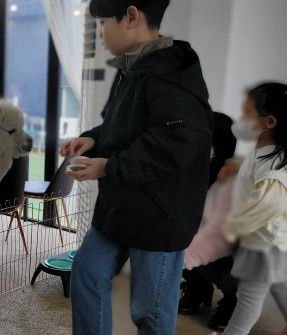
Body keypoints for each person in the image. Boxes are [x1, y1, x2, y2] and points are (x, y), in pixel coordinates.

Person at [62, 1, 213, 334]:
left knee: (151, 311)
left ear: (131, 17)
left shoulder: (173, 77)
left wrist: (107, 167)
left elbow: (173, 146)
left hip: (160, 213)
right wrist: (92, 140)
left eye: (103, 23)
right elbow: (120, 129)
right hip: (121, 205)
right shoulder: (131, 69)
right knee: (87, 274)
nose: (101, 33)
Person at [215, 82, 287, 335]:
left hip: (264, 242)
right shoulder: (264, 152)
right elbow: (257, 170)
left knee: (249, 296)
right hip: (270, 240)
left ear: (269, 123)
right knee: (278, 283)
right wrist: (237, 165)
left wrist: (233, 227)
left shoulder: (274, 166)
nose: (241, 119)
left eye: (246, 113)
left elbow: (268, 204)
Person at [179, 112, 239, 332]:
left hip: (228, 243)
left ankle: (232, 301)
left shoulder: (230, 171)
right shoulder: (206, 165)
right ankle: (198, 287)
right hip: (201, 237)